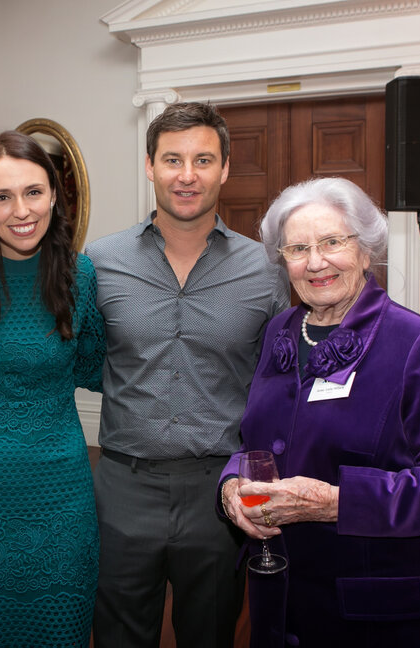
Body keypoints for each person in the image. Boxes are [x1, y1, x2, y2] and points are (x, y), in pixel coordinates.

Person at [218, 176, 420, 647]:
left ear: (366, 250)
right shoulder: (280, 332)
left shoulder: (416, 342)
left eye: (331, 242)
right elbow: (254, 443)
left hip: (373, 610)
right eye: (297, 248)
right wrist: (230, 484)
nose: (315, 262)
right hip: (280, 594)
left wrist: (334, 503)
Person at [85, 102, 290, 647]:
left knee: (212, 635)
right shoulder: (99, 262)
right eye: (172, 159)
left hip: (220, 491)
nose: (187, 175)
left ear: (225, 168)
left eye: (203, 160)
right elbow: (74, 355)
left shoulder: (265, 270)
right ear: (149, 166)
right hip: (123, 486)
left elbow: (282, 381)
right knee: (116, 638)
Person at [0, 130, 105, 647]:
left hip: (59, 492)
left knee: (58, 630)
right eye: (1, 197)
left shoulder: (81, 274)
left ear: (54, 194)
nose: (20, 210)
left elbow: (93, 366)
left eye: (32, 191)